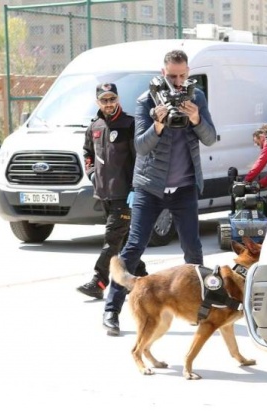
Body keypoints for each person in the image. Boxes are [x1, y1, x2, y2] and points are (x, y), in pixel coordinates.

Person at [102, 49, 217, 336]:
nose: (178, 82)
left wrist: (195, 119)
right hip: (149, 186)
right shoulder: (146, 100)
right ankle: (111, 310)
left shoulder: (197, 97)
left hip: (185, 187)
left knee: (193, 249)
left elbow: (210, 138)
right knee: (134, 246)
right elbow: (141, 146)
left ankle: (200, 308)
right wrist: (158, 123)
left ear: (188, 71)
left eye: (182, 75)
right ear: (162, 72)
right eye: (172, 76)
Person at [76, 83, 147, 300]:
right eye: (104, 100)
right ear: (98, 102)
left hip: (124, 194)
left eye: (112, 99)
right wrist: (90, 173)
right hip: (103, 192)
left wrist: (136, 187)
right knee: (122, 241)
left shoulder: (129, 124)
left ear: (118, 99)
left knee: (112, 239)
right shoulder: (94, 126)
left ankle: (99, 280)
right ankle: (142, 278)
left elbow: (140, 159)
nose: (109, 104)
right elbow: (87, 152)